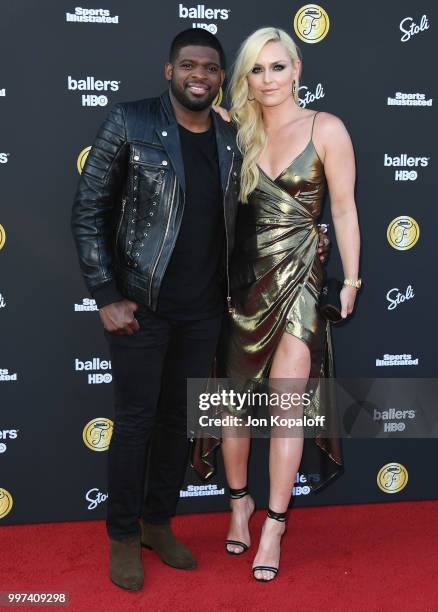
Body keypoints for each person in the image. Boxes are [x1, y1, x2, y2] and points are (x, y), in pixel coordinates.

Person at [71, 27, 329, 591]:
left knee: (176, 425)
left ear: (220, 79)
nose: (199, 75)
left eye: (210, 68)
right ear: (170, 71)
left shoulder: (230, 136)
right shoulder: (130, 121)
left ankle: (157, 525)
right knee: (136, 421)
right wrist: (106, 295)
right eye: (188, 65)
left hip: (205, 310)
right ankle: (121, 535)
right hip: (140, 305)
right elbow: (89, 210)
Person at [219, 27, 361, 582]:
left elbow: (344, 210)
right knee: (228, 406)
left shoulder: (326, 128)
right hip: (242, 285)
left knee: (286, 408)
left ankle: (275, 523)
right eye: (257, 70)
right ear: (246, 79)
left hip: (301, 281)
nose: (269, 79)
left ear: (297, 68)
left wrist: (352, 279)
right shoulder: (235, 134)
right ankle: (238, 505)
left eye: (278, 67)